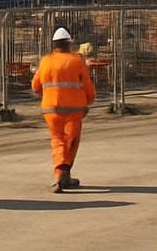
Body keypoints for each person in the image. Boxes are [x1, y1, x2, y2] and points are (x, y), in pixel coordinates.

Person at [31, 27, 96, 193]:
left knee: (57, 141)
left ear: (54, 44)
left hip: (51, 110)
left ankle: (62, 174)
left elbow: (35, 85)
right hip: (74, 111)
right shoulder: (77, 60)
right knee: (71, 143)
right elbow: (87, 85)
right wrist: (89, 100)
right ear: (68, 43)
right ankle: (63, 173)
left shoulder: (45, 61)